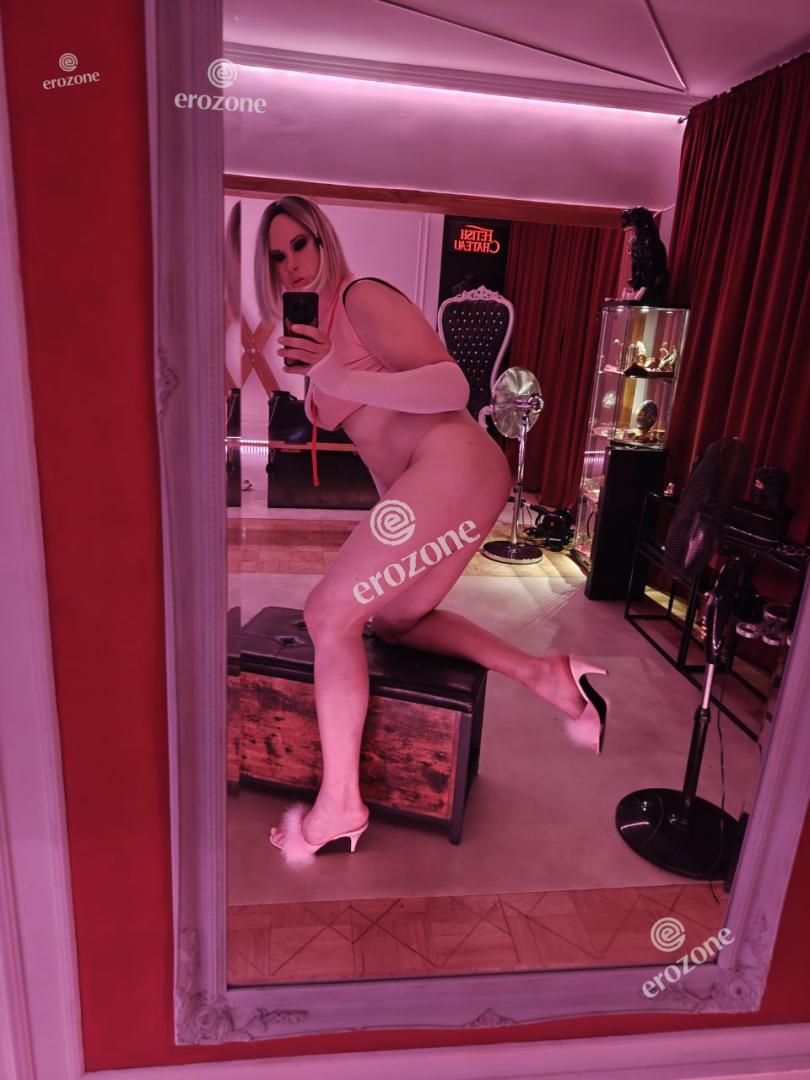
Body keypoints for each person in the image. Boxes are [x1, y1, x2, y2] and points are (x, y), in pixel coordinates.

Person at [257, 196, 609, 868]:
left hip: (454, 461)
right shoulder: (314, 337)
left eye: (301, 244)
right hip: (434, 481)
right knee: (393, 622)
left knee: (328, 614)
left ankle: (340, 803)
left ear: (324, 241)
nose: (292, 264)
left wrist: (336, 372)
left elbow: (452, 388)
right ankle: (548, 674)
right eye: (277, 256)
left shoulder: (361, 297)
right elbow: (377, 443)